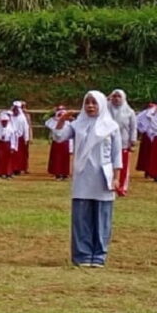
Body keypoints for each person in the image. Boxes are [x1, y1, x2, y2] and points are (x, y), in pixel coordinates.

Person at [51, 92, 122, 268]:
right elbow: (59, 137)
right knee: (81, 217)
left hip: (103, 175)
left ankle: (99, 255)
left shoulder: (111, 126)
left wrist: (117, 178)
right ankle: (82, 254)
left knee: (102, 216)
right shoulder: (77, 124)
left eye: (94, 103)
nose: (90, 106)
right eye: (87, 102)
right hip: (82, 175)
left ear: (101, 105)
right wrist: (62, 120)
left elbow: (117, 154)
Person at [108, 90, 137, 195]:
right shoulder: (106, 109)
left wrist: (132, 140)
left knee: (123, 165)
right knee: (108, 164)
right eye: (114, 96)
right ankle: (110, 185)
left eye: (119, 96)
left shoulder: (130, 112)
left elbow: (133, 127)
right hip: (108, 141)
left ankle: (122, 187)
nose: (116, 99)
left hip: (123, 142)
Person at [44, 106, 72, 181]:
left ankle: (65, 173)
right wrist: (51, 113)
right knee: (57, 159)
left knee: (65, 159)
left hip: (65, 142)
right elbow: (46, 121)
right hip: (57, 142)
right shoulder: (53, 121)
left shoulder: (68, 123)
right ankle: (58, 174)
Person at [0, 112, 17, 179]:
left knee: (8, 159)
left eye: (5, 122)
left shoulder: (11, 129)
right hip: (1, 144)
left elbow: (13, 138)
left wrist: (12, 147)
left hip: (8, 144)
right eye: (3, 122)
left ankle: (8, 173)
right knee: (0, 158)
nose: (4, 123)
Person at [135, 102, 156, 178]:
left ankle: (154, 170)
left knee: (155, 154)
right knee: (146, 154)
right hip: (147, 135)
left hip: (156, 135)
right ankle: (147, 170)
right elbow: (136, 121)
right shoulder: (143, 114)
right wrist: (142, 129)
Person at [10, 101, 31, 175]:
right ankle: (11, 168)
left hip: (20, 138)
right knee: (12, 154)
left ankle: (18, 168)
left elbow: (26, 128)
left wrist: (26, 138)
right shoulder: (10, 116)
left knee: (20, 154)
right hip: (11, 137)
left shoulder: (22, 118)